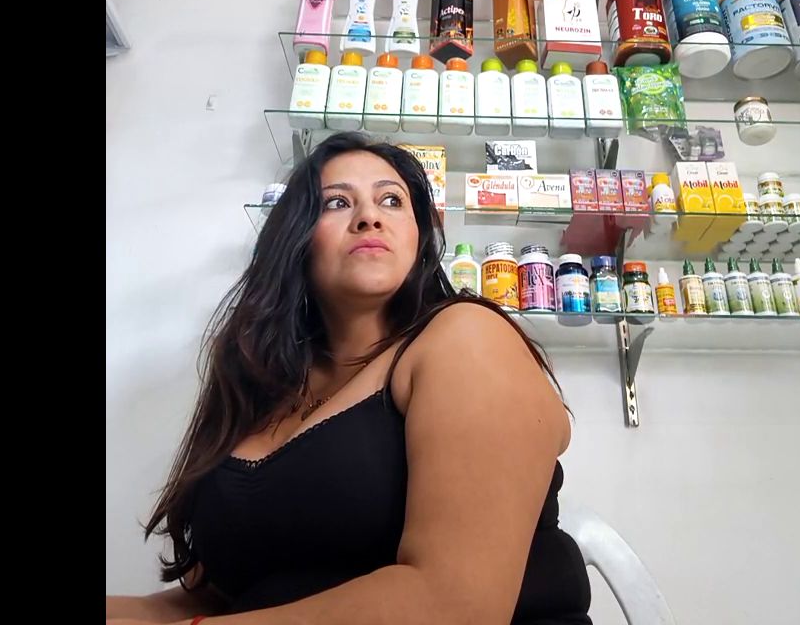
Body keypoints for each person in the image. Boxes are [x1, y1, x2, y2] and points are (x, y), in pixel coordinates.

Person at [106, 131, 592, 625]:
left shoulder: (466, 337)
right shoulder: (265, 385)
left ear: (419, 236)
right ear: (295, 238)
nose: (369, 217)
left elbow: (453, 604)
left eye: (392, 201)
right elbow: (213, 600)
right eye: (337, 202)